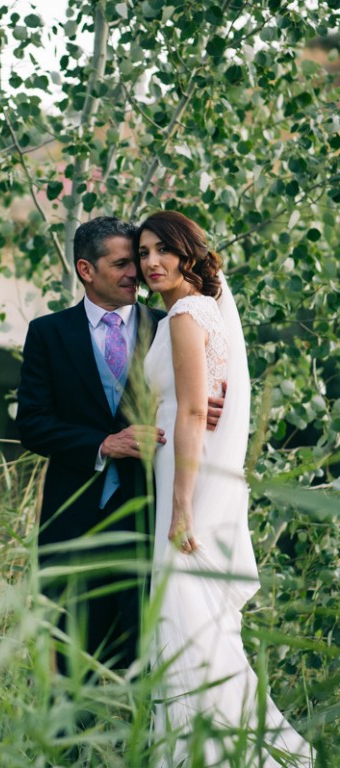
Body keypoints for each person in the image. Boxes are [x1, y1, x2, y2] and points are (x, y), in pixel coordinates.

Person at [137, 210, 312, 766]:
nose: (150, 263)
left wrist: (182, 508)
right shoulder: (194, 312)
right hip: (179, 471)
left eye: (162, 249)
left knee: (183, 618)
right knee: (193, 620)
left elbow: (192, 410)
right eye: (142, 253)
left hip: (185, 483)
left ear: (188, 252)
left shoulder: (187, 314)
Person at [15, 217, 221, 676]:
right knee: (71, 667)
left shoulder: (169, 326)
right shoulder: (48, 334)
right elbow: (31, 425)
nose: (139, 271)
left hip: (146, 522)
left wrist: (201, 408)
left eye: (140, 260)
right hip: (71, 526)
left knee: (138, 666)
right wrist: (102, 443)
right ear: (86, 270)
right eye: (124, 263)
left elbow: (192, 402)